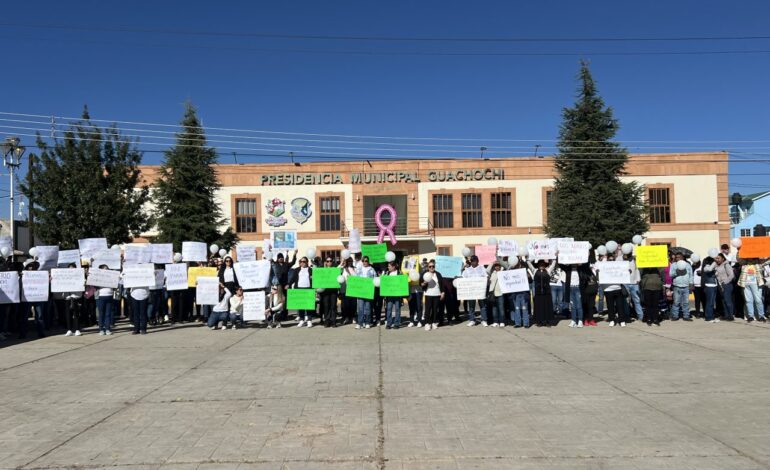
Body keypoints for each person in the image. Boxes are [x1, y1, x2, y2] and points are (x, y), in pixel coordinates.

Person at [598, 255, 627, 327]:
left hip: (618, 288)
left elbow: (624, 273)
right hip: (607, 290)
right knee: (610, 306)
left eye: (613, 259)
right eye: (610, 260)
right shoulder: (603, 267)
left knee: (620, 306)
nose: (611, 261)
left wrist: (627, 272)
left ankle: (622, 320)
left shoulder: (618, 266)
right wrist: (598, 272)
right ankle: (612, 320)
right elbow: (599, 277)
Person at [528, 259, 557, 327]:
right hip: (538, 293)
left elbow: (553, 265)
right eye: (540, 265)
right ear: (538, 265)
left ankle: (547, 321)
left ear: (544, 266)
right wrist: (528, 259)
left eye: (543, 265)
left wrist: (554, 258)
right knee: (539, 307)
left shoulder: (548, 271)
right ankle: (539, 321)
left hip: (546, 292)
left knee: (547, 307)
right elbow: (529, 265)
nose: (541, 266)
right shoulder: (535, 271)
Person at [461, 255, 487, 326]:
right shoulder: (467, 270)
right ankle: (472, 320)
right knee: (471, 306)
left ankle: (484, 320)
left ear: (477, 261)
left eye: (475, 261)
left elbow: (486, 276)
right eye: (472, 261)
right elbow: (463, 278)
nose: (473, 262)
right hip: (471, 291)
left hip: (480, 290)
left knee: (482, 306)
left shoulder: (482, 268)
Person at [289, 256, 314, 327]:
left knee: (309, 305)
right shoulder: (296, 270)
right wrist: (289, 284)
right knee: (301, 306)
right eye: (301, 261)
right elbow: (293, 278)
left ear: (307, 262)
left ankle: (309, 320)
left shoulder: (310, 270)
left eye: (304, 261)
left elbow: (314, 280)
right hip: (299, 289)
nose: (302, 263)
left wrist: (313, 279)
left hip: (308, 289)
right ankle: (302, 320)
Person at [508, 257, 531, 328]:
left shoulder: (524, 269)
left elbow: (530, 278)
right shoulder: (511, 270)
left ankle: (526, 323)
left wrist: (527, 276)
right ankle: (518, 323)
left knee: (524, 308)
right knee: (517, 309)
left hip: (524, 293)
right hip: (515, 294)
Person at [421, 260, 444, 331]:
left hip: (437, 294)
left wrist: (442, 292)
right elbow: (421, 284)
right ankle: (427, 323)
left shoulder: (438, 274)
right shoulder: (425, 274)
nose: (431, 267)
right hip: (428, 294)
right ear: (428, 267)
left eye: (433, 266)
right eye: (430, 266)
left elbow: (441, 284)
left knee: (435, 309)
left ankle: (434, 322)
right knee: (428, 309)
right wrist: (424, 283)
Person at [355, 256, 377, 329]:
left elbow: (375, 279)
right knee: (360, 308)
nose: (365, 262)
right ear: (362, 261)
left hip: (368, 292)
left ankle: (367, 322)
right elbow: (355, 279)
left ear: (368, 261)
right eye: (363, 261)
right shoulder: (358, 269)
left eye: (366, 261)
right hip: (360, 292)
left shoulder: (372, 269)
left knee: (368, 308)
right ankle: (360, 323)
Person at [319, 256, 339, 327]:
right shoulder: (322, 270)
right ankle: (327, 321)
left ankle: (333, 321)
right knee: (326, 306)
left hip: (333, 291)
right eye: (327, 261)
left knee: (333, 306)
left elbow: (340, 268)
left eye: (330, 261)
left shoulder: (335, 269)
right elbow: (318, 279)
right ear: (326, 262)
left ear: (332, 262)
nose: (329, 262)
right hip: (325, 291)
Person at [714, 253, 736, 321]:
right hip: (720, 285)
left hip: (727, 285)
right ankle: (726, 315)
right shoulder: (717, 266)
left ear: (723, 258)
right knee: (723, 301)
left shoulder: (726, 265)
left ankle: (731, 315)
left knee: (727, 300)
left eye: (718, 258)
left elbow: (731, 275)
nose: (717, 260)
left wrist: (725, 282)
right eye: (716, 258)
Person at [64, 263, 83, 337]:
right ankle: (69, 330)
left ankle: (77, 330)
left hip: (76, 297)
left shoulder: (79, 276)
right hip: (67, 298)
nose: (71, 269)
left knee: (76, 314)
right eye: (70, 268)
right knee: (68, 315)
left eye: (73, 268)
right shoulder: (65, 277)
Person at [95, 264, 114, 335]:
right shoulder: (97, 277)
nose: (106, 270)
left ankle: (108, 329)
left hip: (109, 296)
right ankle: (101, 329)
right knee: (101, 314)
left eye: (107, 268)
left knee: (108, 314)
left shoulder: (111, 276)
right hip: (100, 296)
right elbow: (94, 284)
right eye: (104, 269)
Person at [486, 261, 506, 327]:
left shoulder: (503, 272)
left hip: (500, 293)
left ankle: (502, 321)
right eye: (496, 266)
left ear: (500, 266)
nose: (497, 267)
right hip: (493, 294)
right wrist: (492, 263)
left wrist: (501, 261)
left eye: (498, 266)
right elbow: (487, 270)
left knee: (501, 308)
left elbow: (507, 267)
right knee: (494, 309)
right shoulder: (492, 273)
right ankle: (495, 321)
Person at [383, 261, 402, 329]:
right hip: (389, 295)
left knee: (397, 309)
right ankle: (389, 323)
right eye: (388, 266)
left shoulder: (399, 273)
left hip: (397, 295)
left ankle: (397, 323)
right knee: (389, 309)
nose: (388, 267)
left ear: (393, 267)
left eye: (389, 266)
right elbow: (384, 282)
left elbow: (402, 283)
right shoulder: (387, 273)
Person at [700, 256, 719, 323]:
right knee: (709, 302)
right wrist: (714, 263)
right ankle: (708, 317)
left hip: (714, 285)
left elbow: (716, 274)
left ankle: (712, 316)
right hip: (709, 286)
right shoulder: (706, 267)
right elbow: (710, 269)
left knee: (712, 303)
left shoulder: (712, 267)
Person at [340, 258, 357, 325]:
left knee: (353, 304)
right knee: (345, 305)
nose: (350, 262)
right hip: (344, 289)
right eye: (348, 261)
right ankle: (346, 317)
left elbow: (356, 277)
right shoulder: (343, 268)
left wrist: (349, 272)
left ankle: (353, 317)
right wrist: (342, 263)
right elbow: (336, 270)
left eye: (351, 261)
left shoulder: (354, 268)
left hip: (353, 289)